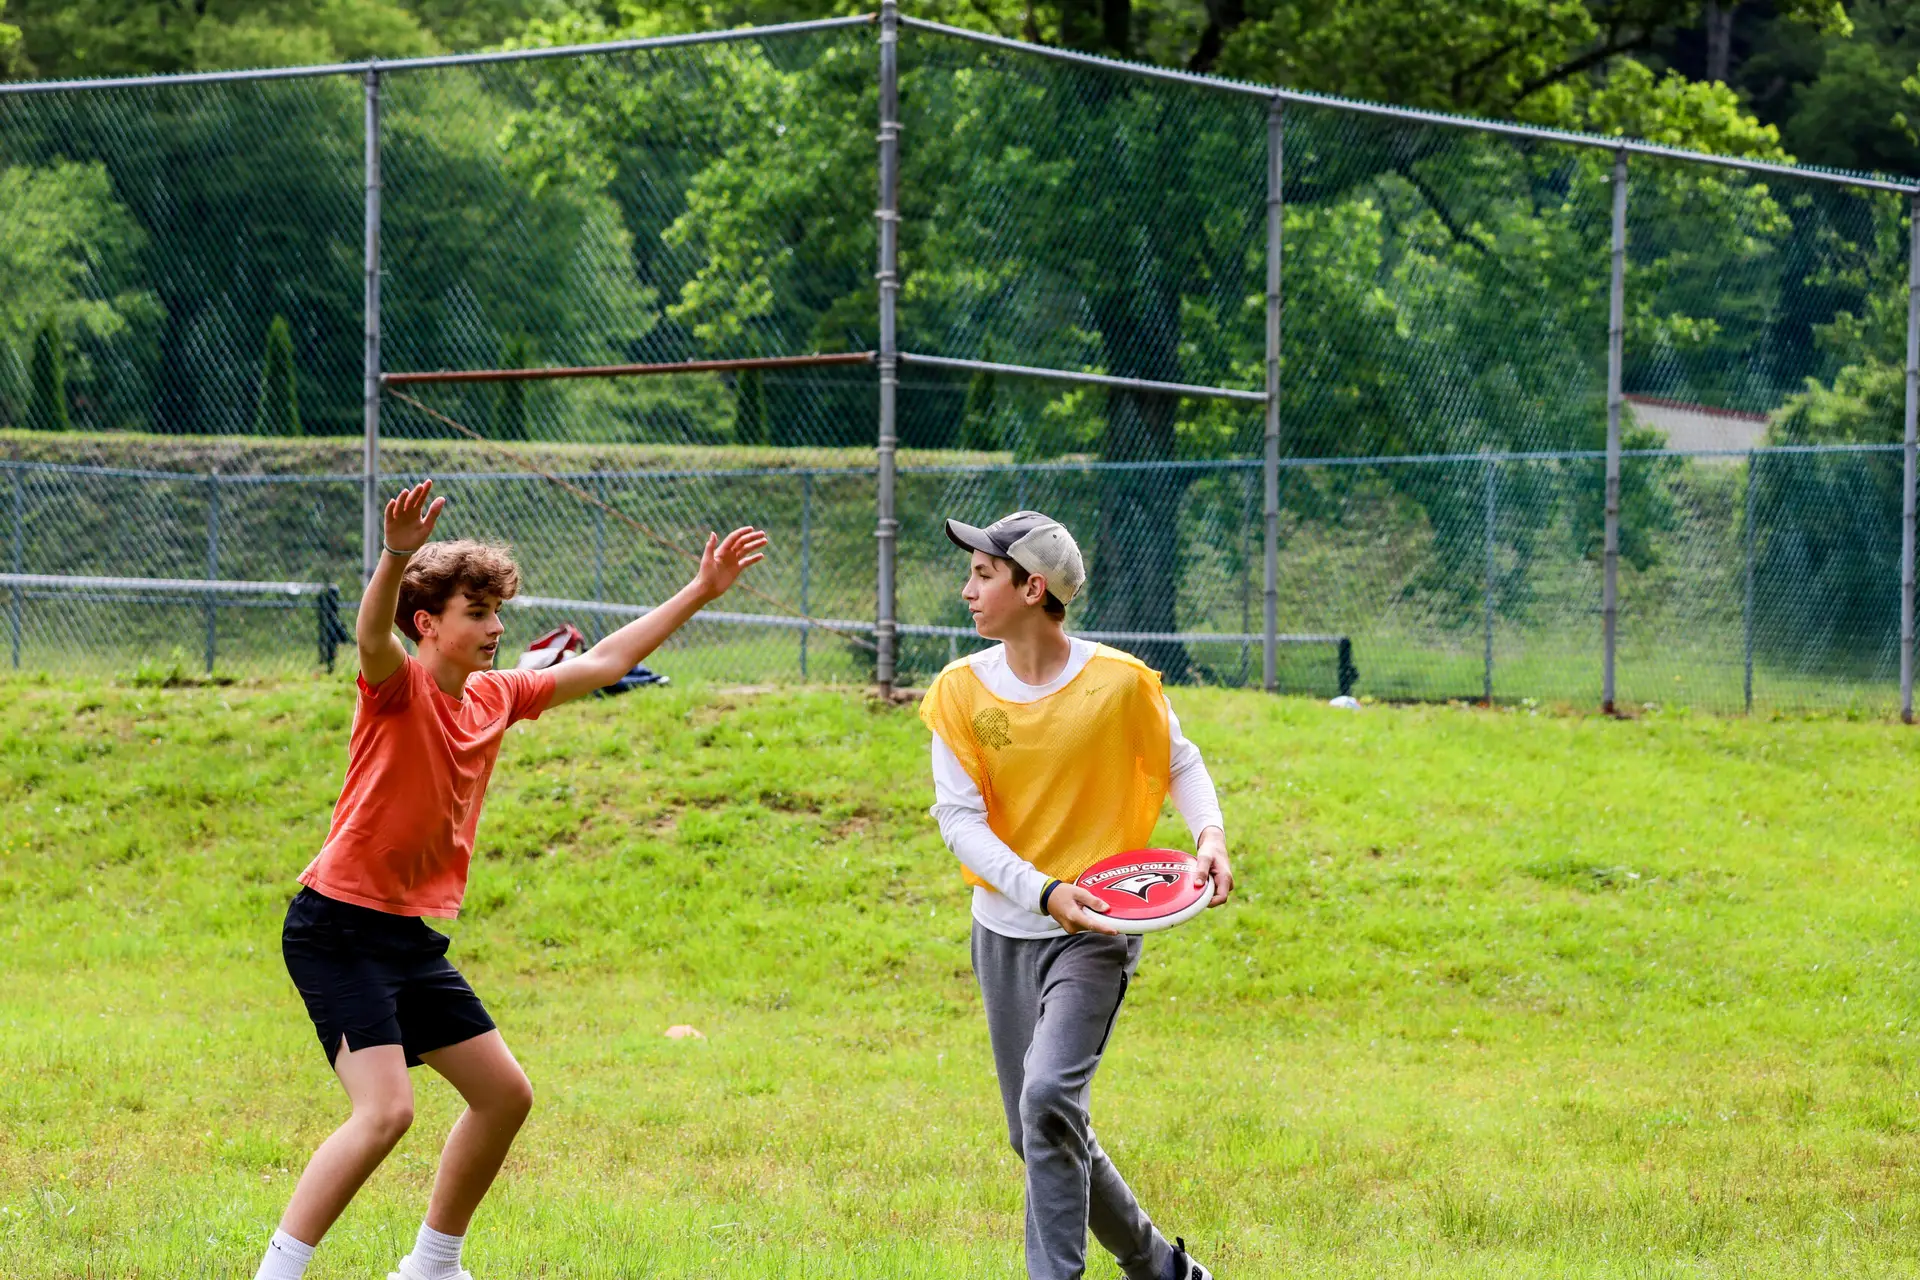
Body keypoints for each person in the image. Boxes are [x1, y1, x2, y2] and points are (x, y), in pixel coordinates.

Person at [252, 479, 767, 1280]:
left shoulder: (496, 696)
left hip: (406, 937)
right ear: (429, 624)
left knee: (504, 1096)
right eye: (477, 613)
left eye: (498, 612)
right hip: (338, 928)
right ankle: (278, 1273)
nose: (496, 628)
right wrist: (394, 556)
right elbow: (371, 632)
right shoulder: (396, 686)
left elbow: (607, 661)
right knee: (386, 1112)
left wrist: (701, 589)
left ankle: (432, 1265)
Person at [918, 510, 1234, 1280]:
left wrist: (1211, 835)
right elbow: (958, 821)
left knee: (1046, 1099)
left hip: (1095, 931)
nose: (967, 591)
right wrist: (1043, 891)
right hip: (1005, 931)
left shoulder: (1119, 683)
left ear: (1033, 588)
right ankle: (1163, 1269)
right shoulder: (960, 692)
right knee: (1038, 1128)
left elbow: (1180, 761)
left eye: (983, 575)